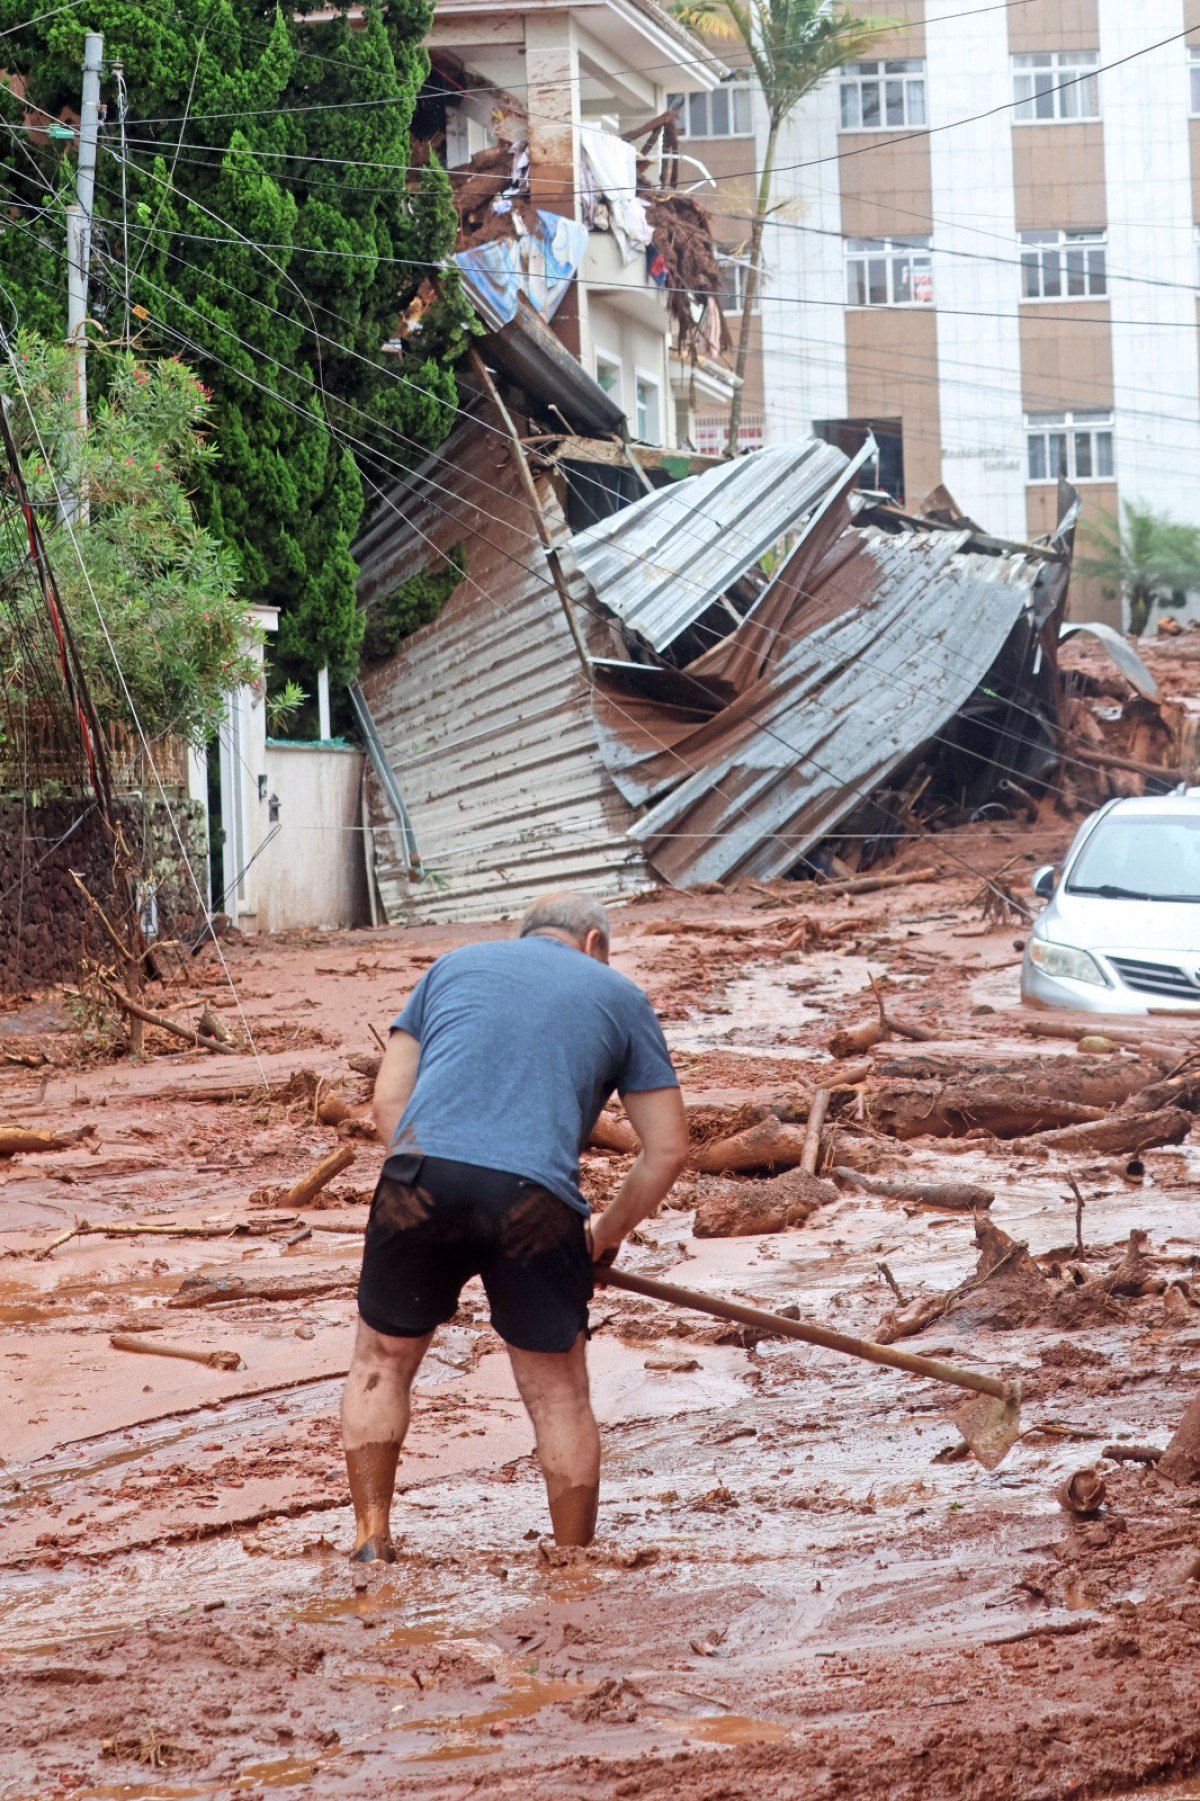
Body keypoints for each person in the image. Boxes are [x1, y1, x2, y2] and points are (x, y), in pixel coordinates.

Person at [340, 892, 689, 1562]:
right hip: (534, 1203)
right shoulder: (619, 993)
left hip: (417, 1179)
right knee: (558, 1394)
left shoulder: (452, 966)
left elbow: (388, 1100)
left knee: (380, 1362)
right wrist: (605, 1232)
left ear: (523, 934)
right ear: (593, 942)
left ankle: (371, 1538)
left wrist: (435, 1177)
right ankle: (571, 1565)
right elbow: (668, 1147)